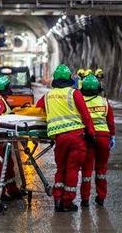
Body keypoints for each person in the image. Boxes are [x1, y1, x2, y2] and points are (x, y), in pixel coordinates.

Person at [35, 64, 96, 212]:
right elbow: (86, 115)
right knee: (73, 169)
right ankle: (67, 202)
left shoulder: (48, 95)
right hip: (77, 138)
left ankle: (57, 200)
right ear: (70, 78)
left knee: (60, 168)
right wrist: (92, 134)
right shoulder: (74, 93)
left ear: (55, 79)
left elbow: (38, 106)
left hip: (60, 139)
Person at [79, 75, 116, 207]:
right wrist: (112, 135)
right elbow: (110, 121)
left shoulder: (80, 101)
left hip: (87, 137)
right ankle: (101, 197)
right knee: (101, 169)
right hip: (103, 137)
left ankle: (84, 199)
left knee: (86, 170)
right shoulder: (103, 101)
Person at [0, 75, 22, 201]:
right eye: (7, 87)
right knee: (2, 164)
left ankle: (12, 190)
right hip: (0, 137)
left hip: (2, 136)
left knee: (8, 163)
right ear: (2, 88)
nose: (9, 89)